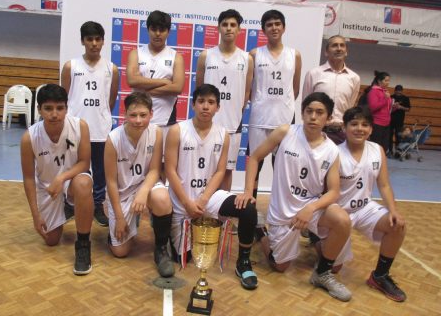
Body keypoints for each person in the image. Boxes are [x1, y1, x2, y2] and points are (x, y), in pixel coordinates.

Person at [236, 92, 352, 301]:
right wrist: (247, 191)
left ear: (328, 118)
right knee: (280, 266)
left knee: (342, 225)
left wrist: (311, 208)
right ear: (302, 113)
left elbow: (334, 191)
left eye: (319, 113)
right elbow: (254, 157)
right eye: (309, 112)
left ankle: (322, 273)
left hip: (311, 209)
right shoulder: (285, 132)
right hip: (283, 211)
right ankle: (261, 232)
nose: (313, 117)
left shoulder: (332, 151)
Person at [165, 84, 258, 290]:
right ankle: (163, 235)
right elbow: (170, 170)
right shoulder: (177, 130)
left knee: (249, 208)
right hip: (182, 201)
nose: (205, 106)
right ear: (193, 104)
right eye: (201, 101)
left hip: (208, 198)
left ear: (218, 107)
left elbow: (220, 171)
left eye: (211, 102)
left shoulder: (223, 134)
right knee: (184, 258)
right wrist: (188, 202)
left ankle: (243, 262)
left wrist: (204, 199)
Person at [20, 84, 94, 275]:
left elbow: (84, 163)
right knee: (51, 240)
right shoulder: (29, 138)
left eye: (60, 108)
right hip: (47, 186)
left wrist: (61, 178)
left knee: (84, 184)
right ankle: (66, 208)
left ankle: (83, 245)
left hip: (72, 179)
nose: (54, 114)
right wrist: (35, 216)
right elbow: (28, 178)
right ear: (39, 110)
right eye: (48, 108)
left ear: (66, 108)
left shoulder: (80, 127)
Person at [335, 106, 407, 302]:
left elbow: (383, 184)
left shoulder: (377, 150)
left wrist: (393, 211)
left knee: (397, 225)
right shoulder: (334, 153)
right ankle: (318, 240)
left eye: (365, 125)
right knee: (334, 268)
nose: (360, 128)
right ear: (344, 127)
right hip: (338, 212)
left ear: (371, 129)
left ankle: (380, 276)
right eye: (354, 124)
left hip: (364, 208)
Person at [104, 92, 174, 277]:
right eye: (133, 115)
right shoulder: (113, 139)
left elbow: (154, 170)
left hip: (146, 185)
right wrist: (119, 217)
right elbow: (110, 181)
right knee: (121, 252)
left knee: (162, 198)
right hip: (122, 192)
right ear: (125, 114)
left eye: (143, 115)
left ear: (151, 114)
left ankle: (160, 249)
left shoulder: (157, 132)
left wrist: (143, 192)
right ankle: (122, 223)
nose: (138, 120)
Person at [61, 21, 120, 227]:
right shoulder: (71, 66)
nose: (94, 43)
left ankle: (97, 205)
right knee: (74, 168)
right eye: (89, 39)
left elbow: (111, 100)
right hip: (75, 129)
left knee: (101, 171)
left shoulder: (112, 69)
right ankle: (70, 203)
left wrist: (100, 116)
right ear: (82, 41)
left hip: (100, 129)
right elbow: (64, 99)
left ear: (103, 41)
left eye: (98, 39)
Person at [196, 9, 254, 191]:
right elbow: (199, 90)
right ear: (219, 28)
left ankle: (220, 214)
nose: (229, 28)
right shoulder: (206, 55)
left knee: (227, 170)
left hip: (232, 124)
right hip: (207, 123)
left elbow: (246, 93)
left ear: (239, 30)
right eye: (225, 25)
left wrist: (236, 114)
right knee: (203, 168)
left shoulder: (247, 58)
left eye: (233, 25)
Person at [248, 9, 302, 199]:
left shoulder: (294, 55)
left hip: (284, 118)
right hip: (260, 118)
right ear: (263, 29)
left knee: (283, 167)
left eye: (277, 24)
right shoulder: (254, 54)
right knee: (256, 165)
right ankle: (250, 209)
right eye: (269, 24)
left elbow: (295, 89)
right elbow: (249, 89)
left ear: (284, 27)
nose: (274, 27)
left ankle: (280, 209)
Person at [126, 10, 185, 154]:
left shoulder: (176, 57)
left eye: (162, 30)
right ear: (148, 30)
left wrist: (143, 87)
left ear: (168, 32)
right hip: (138, 120)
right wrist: (164, 82)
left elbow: (177, 87)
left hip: (165, 121)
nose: (157, 34)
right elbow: (131, 80)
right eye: (154, 29)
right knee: (134, 165)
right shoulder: (136, 53)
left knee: (163, 167)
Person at [302, 35, 360, 145]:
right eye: (334, 45)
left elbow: (350, 107)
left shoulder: (354, 78)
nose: (339, 48)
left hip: (341, 134)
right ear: (326, 52)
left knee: (338, 163)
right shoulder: (313, 74)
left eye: (342, 45)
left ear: (346, 51)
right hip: (317, 131)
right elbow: (306, 105)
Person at [365, 71, 392, 153]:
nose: (388, 83)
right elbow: (373, 107)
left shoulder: (384, 91)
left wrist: (393, 107)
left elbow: (386, 108)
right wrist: (385, 99)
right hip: (377, 123)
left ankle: (380, 163)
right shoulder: (373, 91)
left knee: (384, 147)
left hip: (386, 123)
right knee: (375, 147)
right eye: (386, 80)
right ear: (379, 81)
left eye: (389, 81)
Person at [389, 85, 411, 156]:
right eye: (397, 91)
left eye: (400, 91)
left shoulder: (405, 98)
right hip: (390, 119)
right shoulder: (391, 97)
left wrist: (400, 107)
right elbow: (386, 107)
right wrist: (392, 106)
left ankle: (397, 151)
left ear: (402, 91)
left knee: (398, 136)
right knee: (389, 136)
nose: (398, 92)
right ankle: (390, 150)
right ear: (394, 90)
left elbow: (408, 109)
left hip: (400, 120)